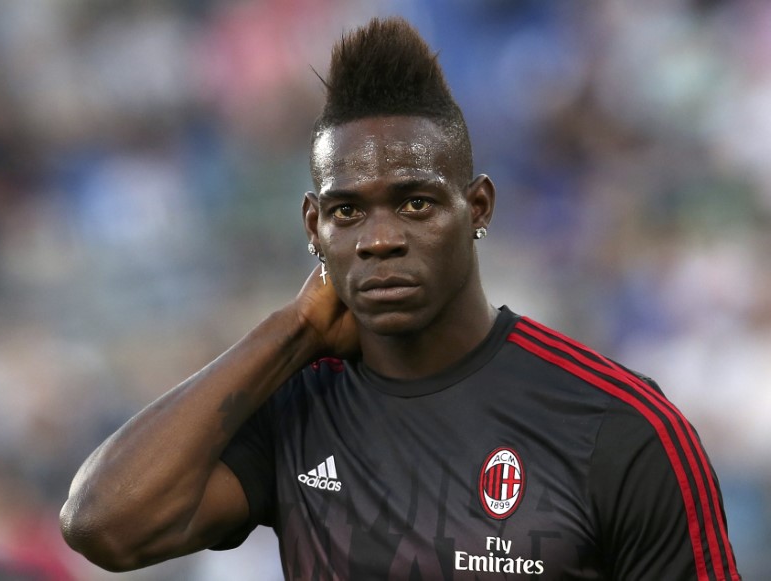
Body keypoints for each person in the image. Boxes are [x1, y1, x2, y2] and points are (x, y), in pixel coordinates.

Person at [60, 17, 741, 580]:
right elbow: (104, 526)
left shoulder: (619, 425)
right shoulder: (297, 407)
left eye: (415, 202)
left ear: (477, 206)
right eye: (348, 211)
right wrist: (293, 329)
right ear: (313, 228)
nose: (380, 239)